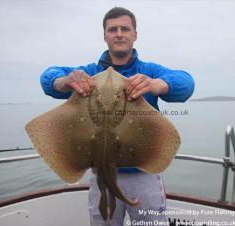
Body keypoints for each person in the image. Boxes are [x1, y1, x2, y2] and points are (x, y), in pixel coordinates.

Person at [40, 6, 195, 226]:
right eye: (113, 29)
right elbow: (48, 77)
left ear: (135, 35)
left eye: (125, 28)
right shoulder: (89, 73)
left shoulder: (148, 72)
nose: (119, 33)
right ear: (105, 36)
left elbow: (187, 84)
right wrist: (64, 82)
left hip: (143, 173)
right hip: (100, 174)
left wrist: (158, 84)